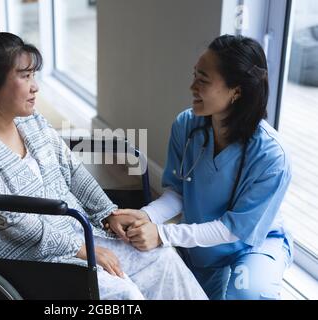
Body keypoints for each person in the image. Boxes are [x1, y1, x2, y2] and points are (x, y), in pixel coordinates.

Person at [0, 31, 207, 300]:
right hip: (30, 260)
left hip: (78, 233)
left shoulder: (29, 121)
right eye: (24, 76)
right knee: (123, 295)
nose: (35, 86)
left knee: (161, 258)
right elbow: (13, 223)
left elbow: (74, 172)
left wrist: (107, 213)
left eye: (34, 75)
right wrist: (82, 249)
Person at [109, 35, 293, 300]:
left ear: (236, 91)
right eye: (195, 75)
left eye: (203, 80)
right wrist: (145, 217)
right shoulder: (186, 125)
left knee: (248, 293)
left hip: (254, 242)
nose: (192, 86)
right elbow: (178, 192)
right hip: (203, 243)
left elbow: (234, 229)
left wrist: (162, 233)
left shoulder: (272, 157)